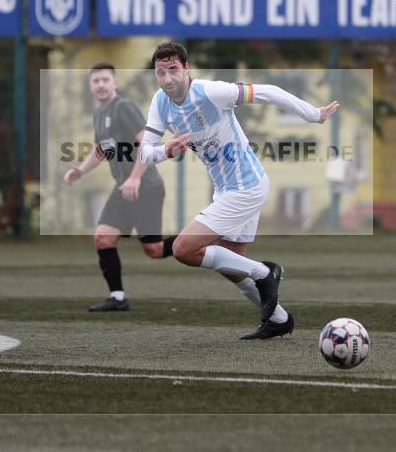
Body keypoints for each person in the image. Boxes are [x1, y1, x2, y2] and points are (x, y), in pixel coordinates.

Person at [139, 43, 339, 339]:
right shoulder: (160, 102)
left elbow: (268, 91)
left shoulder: (210, 92)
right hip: (227, 190)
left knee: (183, 249)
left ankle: (265, 272)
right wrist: (166, 151)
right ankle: (279, 319)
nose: (167, 78)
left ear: (186, 68)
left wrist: (313, 115)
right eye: (160, 72)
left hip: (246, 187)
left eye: (173, 70)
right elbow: (144, 153)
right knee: (231, 266)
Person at [63, 63, 175, 312]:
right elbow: (101, 149)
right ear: (90, 86)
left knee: (154, 250)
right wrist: (80, 170)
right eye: (96, 81)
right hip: (122, 188)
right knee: (103, 238)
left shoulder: (124, 108)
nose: (101, 84)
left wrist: (135, 178)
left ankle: (197, 242)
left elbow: (145, 142)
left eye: (105, 80)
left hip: (145, 186)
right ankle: (118, 297)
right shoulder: (99, 113)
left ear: (115, 83)